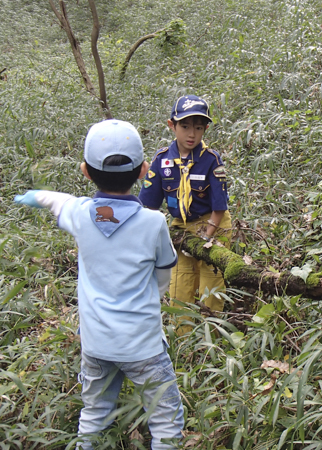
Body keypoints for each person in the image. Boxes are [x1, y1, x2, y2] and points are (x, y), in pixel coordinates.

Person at [14, 119, 184, 449]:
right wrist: (155, 295)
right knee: (165, 418)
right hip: (143, 346)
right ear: (143, 171)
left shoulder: (80, 214)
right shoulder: (153, 223)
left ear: (85, 172)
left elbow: (59, 201)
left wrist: (37, 195)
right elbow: (164, 272)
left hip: (97, 345)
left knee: (94, 415)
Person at [139, 95, 231, 334]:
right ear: (172, 126)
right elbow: (148, 206)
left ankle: (212, 338)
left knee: (211, 284)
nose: (192, 134)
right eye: (185, 126)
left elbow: (219, 207)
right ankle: (184, 344)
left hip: (214, 224)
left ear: (205, 129)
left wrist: (206, 238)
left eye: (198, 128)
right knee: (179, 286)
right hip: (180, 228)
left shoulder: (211, 160)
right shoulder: (162, 161)